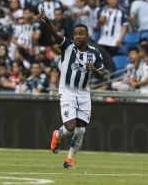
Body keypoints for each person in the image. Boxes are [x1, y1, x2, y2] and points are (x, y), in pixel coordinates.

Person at [38, 9, 105, 168]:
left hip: (84, 94)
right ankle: (57, 134)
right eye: (75, 34)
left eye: (81, 33)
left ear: (87, 35)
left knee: (81, 131)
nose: (77, 36)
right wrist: (47, 20)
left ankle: (69, 160)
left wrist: (94, 70)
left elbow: (102, 73)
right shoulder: (67, 46)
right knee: (70, 127)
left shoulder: (95, 53)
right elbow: (56, 33)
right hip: (67, 92)